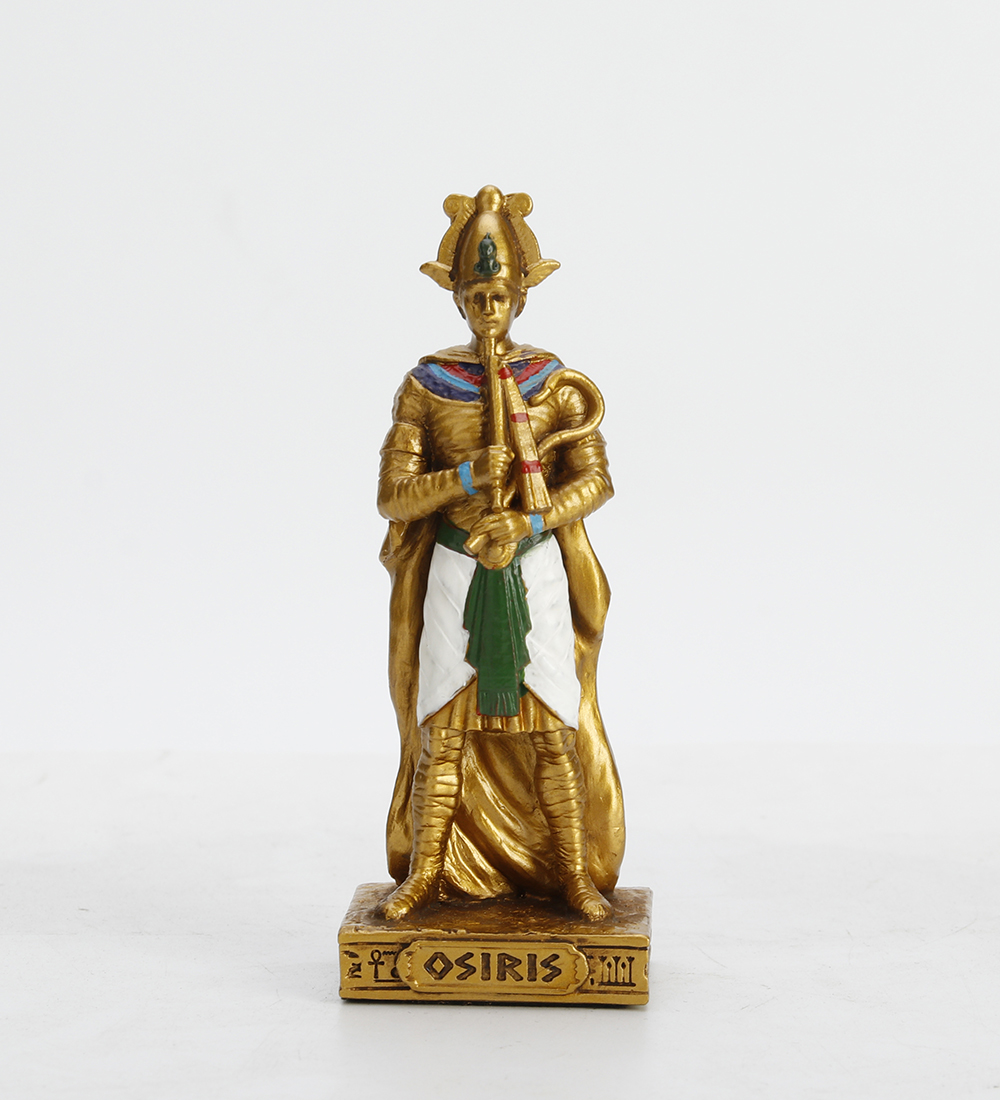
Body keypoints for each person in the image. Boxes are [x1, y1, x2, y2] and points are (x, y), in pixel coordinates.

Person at [377, 185, 624, 922]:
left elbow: (596, 481)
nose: (489, 307)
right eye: (476, 295)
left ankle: (572, 876)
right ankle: (426, 873)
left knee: (551, 727)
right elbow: (393, 496)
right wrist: (461, 479)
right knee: (443, 728)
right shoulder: (426, 387)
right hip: (456, 566)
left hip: (533, 565)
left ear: (521, 296)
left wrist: (529, 520)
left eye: (501, 295)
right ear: (457, 297)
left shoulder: (553, 383)